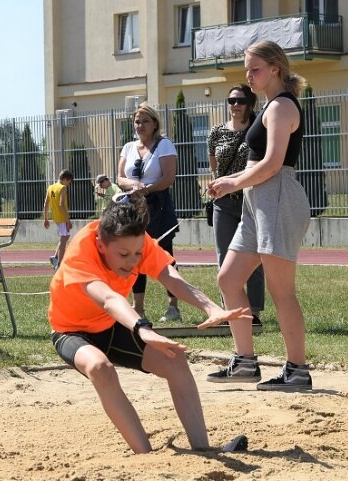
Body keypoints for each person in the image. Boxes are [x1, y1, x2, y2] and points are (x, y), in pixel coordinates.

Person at [48, 193, 250, 454]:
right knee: (100, 367)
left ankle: (203, 449)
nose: (133, 261)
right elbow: (108, 299)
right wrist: (142, 328)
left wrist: (211, 308)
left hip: (110, 325)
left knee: (175, 359)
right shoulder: (81, 251)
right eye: (123, 254)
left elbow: (171, 277)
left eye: (137, 253)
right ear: (100, 244)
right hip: (71, 330)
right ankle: (145, 456)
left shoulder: (138, 243)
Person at [202, 40, 313, 391]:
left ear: (275, 68)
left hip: (277, 198)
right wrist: (231, 182)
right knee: (229, 279)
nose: (248, 76)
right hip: (257, 201)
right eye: (247, 70)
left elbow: (272, 165)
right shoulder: (268, 106)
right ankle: (246, 362)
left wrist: (232, 183)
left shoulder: (281, 107)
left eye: (255, 69)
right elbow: (259, 166)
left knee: (282, 291)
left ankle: (297, 369)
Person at [117, 103, 181, 323]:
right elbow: (120, 178)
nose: (140, 125)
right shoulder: (128, 147)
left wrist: (147, 189)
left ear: (155, 124)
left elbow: (168, 177)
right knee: (135, 255)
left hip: (158, 206)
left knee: (164, 254)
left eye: (145, 121)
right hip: (133, 207)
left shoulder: (164, 145)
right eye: (137, 121)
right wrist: (132, 185)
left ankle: (173, 306)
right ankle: (138, 308)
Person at [207, 84, 265, 326]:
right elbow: (214, 165)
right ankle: (229, 309)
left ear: (250, 103)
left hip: (249, 200)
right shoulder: (216, 132)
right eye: (231, 101)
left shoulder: (257, 130)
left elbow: (260, 164)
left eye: (240, 101)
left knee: (252, 256)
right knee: (223, 254)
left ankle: (254, 312)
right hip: (223, 202)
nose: (235, 105)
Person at [43, 169, 73, 269]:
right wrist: (68, 220)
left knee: (66, 236)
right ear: (65, 179)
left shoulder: (51, 187)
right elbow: (61, 204)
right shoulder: (62, 188)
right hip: (62, 217)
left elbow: (46, 204)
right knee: (64, 240)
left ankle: (55, 257)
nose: (68, 184)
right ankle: (59, 264)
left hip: (55, 217)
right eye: (69, 182)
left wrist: (46, 218)